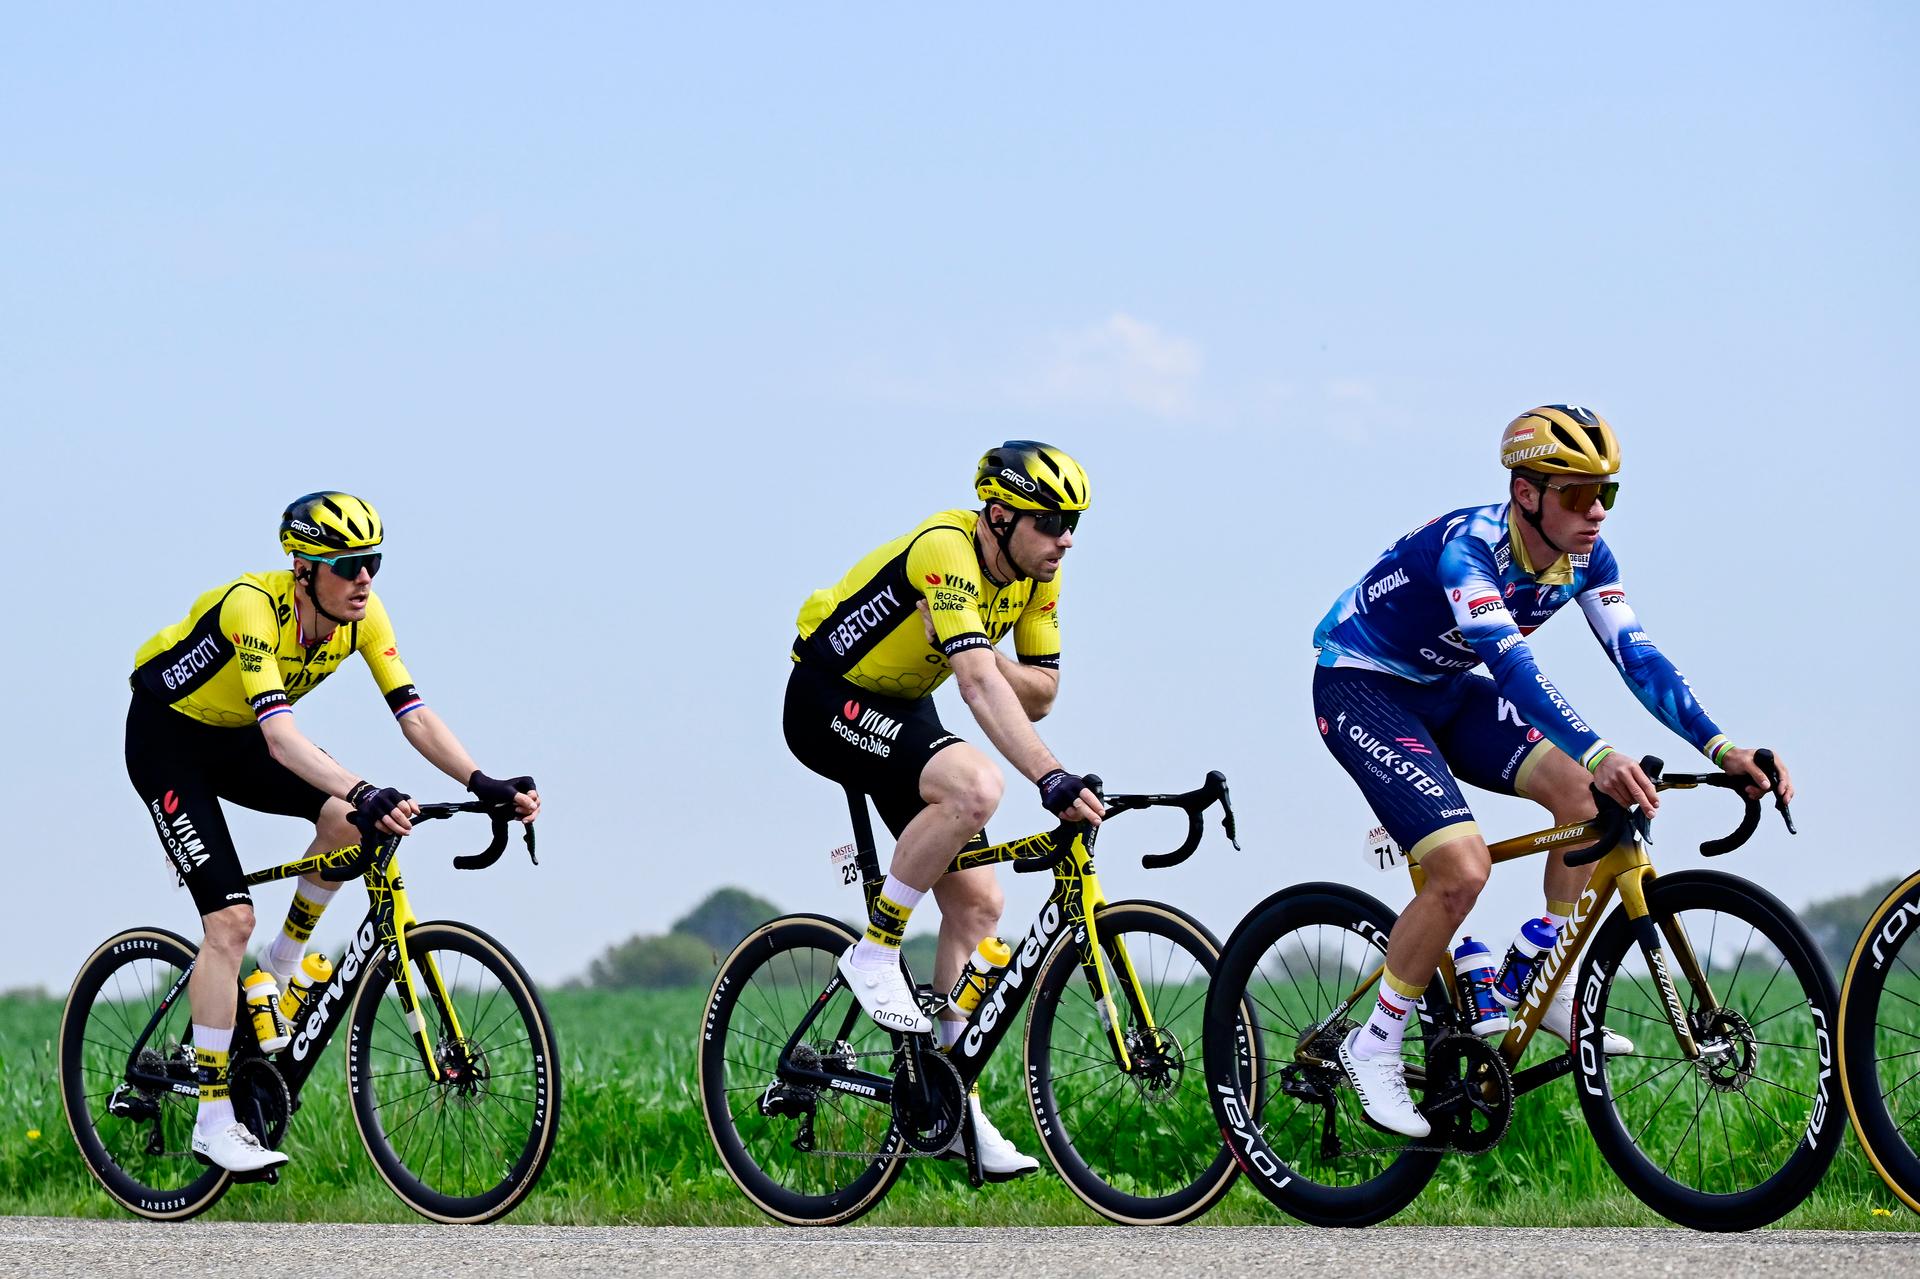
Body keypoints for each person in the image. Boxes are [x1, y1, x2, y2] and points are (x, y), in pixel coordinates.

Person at [1310, 406, 1792, 1137]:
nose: (1596, 511)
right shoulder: (1467, 551)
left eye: (1607, 493)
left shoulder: (1588, 559)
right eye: (1576, 494)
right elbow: (1514, 669)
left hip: (1441, 688)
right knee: (1462, 869)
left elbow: (1640, 656)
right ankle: (1372, 1042)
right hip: (1362, 686)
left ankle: (1547, 978)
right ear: (1526, 493)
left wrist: (1724, 748)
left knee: (1586, 798)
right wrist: (1603, 750)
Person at [127, 492, 539, 1172]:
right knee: (229, 920)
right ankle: (211, 1118)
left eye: (372, 562)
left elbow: (414, 714)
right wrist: (364, 786)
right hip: (168, 738)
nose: (364, 579)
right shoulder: (252, 608)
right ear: (304, 568)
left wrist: (482, 781)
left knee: (346, 820)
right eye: (348, 565)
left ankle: (282, 972)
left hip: (237, 738)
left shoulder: (363, 616)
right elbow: (284, 739)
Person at [783, 442, 1104, 1179]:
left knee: (981, 903)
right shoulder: (947, 549)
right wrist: (1048, 774)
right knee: (976, 787)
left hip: (899, 705)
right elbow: (983, 690)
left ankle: (954, 1105)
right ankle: (874, 948)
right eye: (1052, 521)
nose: (1066, 538)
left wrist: (981, 652)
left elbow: (1042, 691)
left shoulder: (1035, 575)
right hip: (827, 697)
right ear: (999, 514)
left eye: (1074, 522)